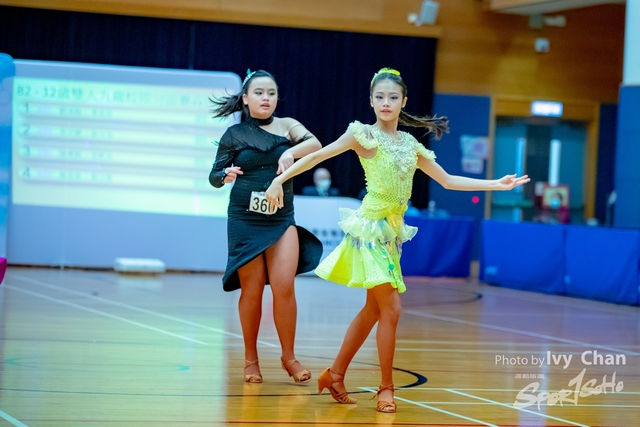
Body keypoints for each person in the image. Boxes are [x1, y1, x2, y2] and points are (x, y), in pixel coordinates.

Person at [265, 68, 530, 412]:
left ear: (403, 101)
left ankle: (335, 374)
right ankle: (386, 388)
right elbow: (317, 156)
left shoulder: (410, 145)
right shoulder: (362, 135)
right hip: (370, 231)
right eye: (379, 97)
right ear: (371, 101)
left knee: (373, 310)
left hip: (392, 236)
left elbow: (448, 180)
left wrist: (497, 184)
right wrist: (279, 180)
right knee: (392, 309)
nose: (385, 103)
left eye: (392, 97)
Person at [209, 69, 323, 384]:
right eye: (259, 92)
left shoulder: (287, 126)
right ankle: (250, 360)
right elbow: (214, 176)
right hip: (244, 219)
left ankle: (289, 357)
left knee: (285, 286)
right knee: (253, 290)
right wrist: (224, 175)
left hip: (281, 219)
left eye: (271, 93)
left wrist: (289, 151)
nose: (266, 98)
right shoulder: (234, 135)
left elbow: (315, 144)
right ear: (246, 98)